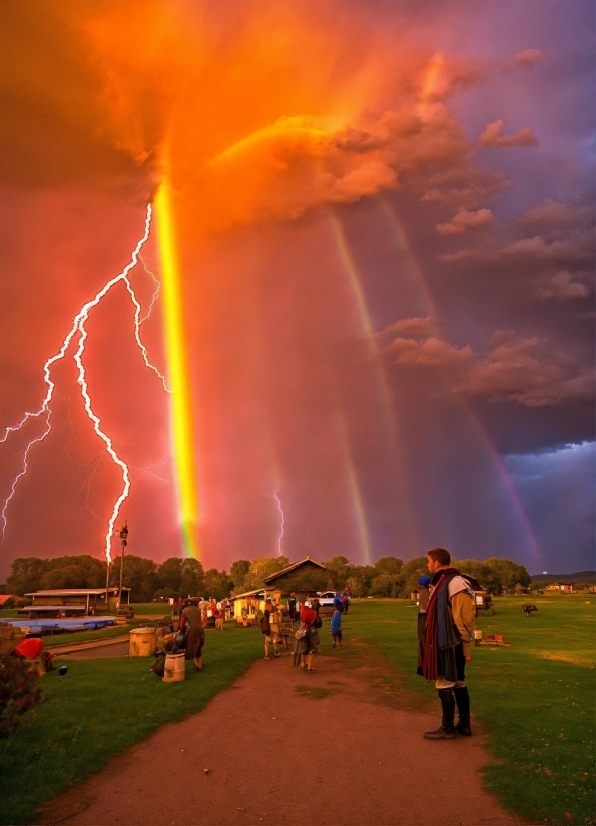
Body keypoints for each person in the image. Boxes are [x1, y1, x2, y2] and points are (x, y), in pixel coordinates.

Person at [420, 548, 476, 739]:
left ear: (437, 563)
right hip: (451, 641)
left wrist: (465, 647)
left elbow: (465, 618)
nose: (427, 564)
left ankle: (448, 727)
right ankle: (464, 725)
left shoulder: (455, 583)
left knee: (445, 682)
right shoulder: (444, 582)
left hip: (450, 642)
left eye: (428, 561)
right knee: (459, 682)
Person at [179, 598, 205, 671]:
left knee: (192, 647)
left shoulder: (185, 611)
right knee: (199, 646)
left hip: (192, 630)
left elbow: (182, 624)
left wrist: (181, 630)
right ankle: (199, 665)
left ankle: (197, 665)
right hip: (200, 629)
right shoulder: (198, 609)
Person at [417, 576, 431, 669]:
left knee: (423, 639)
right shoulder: (427, 592)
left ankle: (425, 662)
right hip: (426, 616)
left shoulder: (422, 591)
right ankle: (427, 662)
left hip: (422, 617)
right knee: (425, 640)